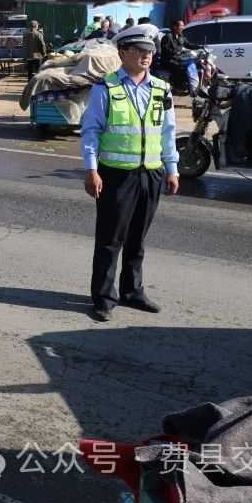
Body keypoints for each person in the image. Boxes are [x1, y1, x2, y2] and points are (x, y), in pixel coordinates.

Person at [80, 25, 180, 322]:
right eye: (138, 51)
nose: (146, 56)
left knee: (138, 239)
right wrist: (91, 169)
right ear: (122, 53)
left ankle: (132, 291)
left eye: (149, 51)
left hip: (151, 174)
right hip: (116, 176)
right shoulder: (106, 87)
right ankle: (103, 297)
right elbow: (91, 131)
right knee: (110, 240)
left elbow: (168, 132)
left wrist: (172, 169)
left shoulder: (161, 88)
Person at [159, 20, 200, 92]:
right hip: (168, 60)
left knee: (187, 64)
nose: (182, 28)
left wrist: (199, 47)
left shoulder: (181, 37)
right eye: (180, 26)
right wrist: (176, 52)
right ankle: (177, 86)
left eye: (183, 26)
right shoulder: (168, 37)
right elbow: (165, 49)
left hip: (177, 59)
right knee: (179, 68)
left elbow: (188, 45)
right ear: (175, 27)